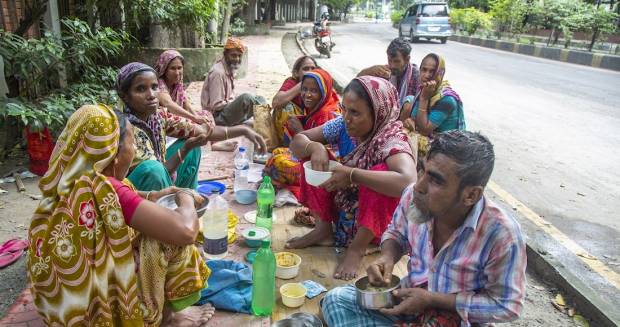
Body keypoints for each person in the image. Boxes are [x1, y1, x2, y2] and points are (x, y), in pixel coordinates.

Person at [27, 104, 214, 326]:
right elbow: (185, 231)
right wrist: (186, 197)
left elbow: (123, 200)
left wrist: (153, 195)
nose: (134, 150)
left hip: (61, 307)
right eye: (132, 142)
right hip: (97, 314)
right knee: (167, 240)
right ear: (112, 155)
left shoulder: (66, 181)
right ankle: (168, 319)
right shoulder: (105, 189)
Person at [321, 131, 527, 327]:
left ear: (471, 195)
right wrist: (388, 257)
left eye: (436, 180)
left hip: (459, 319)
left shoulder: (501, 234)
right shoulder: (414, 195)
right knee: (336, 301)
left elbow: (507, 305)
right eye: (422, 170)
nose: (419, 185)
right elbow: (396, 233)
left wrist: (433, 300)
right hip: (410, 300)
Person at [285, 76, 416, 280]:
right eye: (344, 109)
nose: (346, 117)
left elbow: (408, 181)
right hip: (346, 212)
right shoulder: (342, 125)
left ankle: (357, 248)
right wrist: (315, 147)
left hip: (378, 227)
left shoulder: (391, 139)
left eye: (355, 112)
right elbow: (298, 143)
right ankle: (323, 230)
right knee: (312, 158)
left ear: (378, 113)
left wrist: (353, 175)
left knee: (380, 174)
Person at [116, 62, 209, 192]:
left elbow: (197, 130)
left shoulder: (157, 116)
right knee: (154, 169)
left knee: (193, 149)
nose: (151, 95)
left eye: (154, 87)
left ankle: (186, 198)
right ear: (124, 96)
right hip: (133, 190)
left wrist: (239, 130)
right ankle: (163, 206)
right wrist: (185, 148)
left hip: (159, 170)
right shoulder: (121, 126)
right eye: (141, 89)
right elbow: (158, 172)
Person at [155, 49, 266, 152]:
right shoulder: (159, 85)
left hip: (184, 116)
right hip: (167, 121)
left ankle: (214, 142)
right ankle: (210, 136)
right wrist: (193, 118)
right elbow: (168, 104)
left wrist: (197, 117)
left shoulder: (177, 84)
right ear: (164, 69)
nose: (177, 72)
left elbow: (185, 103)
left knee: (205, 115)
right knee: (246, 99)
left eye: (179, 68)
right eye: (173, 68)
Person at [264, 68, 340, 198]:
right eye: (304, 89)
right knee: (277, 153)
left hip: (321, 168)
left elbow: (330, 154)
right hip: (309, 156)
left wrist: (299, 130)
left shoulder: (327, 114)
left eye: (314, 91)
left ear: (324, 92)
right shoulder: (315, 108)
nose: (307, 95)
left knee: (277, 163)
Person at [201, 37, 267, 126]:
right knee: (246, 98)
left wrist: (235, 103)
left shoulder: (229, 68)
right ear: (225, 54)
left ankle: (265, 121)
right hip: (215, 118)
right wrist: (236, 103)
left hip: (225, 112)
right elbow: (216, 106)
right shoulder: (218, 73)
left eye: (239, 56)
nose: (237, 59)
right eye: (233, 55)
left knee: (260, 99)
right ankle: (265, 123)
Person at [400, 53, 465, 137]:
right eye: (424, 70)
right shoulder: (424, 89)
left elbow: (424, 130)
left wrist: (424, 99)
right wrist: (409, 122)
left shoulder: (447, 100)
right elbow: (413, 117)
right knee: (408, 100)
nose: (426, 75)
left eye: (432, 71)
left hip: (445, 144)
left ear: (441, 74)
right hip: (428, 136)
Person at [357, 38, 420, 106]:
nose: (392, 66)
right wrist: (369, 70)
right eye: (390, 60)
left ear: (407, 59)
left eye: (396, 61)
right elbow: (357, 81)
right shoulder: (384, 71)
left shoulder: (416, 76)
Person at [271, 55, 318, 145]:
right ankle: (288, 143)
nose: (311, 72)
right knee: (286, 107)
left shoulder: (321, 85)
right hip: (294, 127)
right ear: (296, 73)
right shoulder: (292, 82)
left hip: (310, 130)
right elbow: (276, 103)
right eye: (306, 69)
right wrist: (302, 84)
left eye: (313, 69)